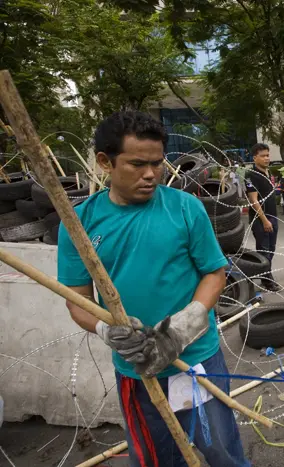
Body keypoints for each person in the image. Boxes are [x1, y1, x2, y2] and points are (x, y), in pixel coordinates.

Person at [57, 111, 250, 466]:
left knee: (220, 448)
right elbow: (77, 300)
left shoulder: (185, 208)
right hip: (137, 371)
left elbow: (214, 273)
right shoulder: (80, 224)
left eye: (157, 163)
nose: (150, 174)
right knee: (154, 458)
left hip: (195, 362)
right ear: (105, 162)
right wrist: (104, 328)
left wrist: (183, 326)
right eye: (136, 164)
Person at [245, 143, 281, 291]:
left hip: (272, 217)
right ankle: (267, 280)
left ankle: (266, 275)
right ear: (255, 158)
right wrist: (264, 220)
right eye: (263, 156)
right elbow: (253, 200)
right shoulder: (250, 175)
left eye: (268, 155)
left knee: (271, 249)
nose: (267, 158)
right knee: (264, 250)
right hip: (261, 220)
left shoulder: (268, 172)